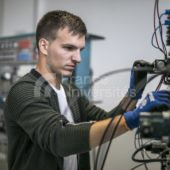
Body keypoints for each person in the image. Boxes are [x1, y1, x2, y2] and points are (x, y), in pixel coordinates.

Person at [4, 10, 170, 170]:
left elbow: (106, 121)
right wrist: (132, 119)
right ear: (44, 46)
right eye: (69, 48)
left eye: (80, 50)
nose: (78, 58)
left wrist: (134, 93)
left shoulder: (70, 91)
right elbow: (58, 139)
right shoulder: (23, 91)